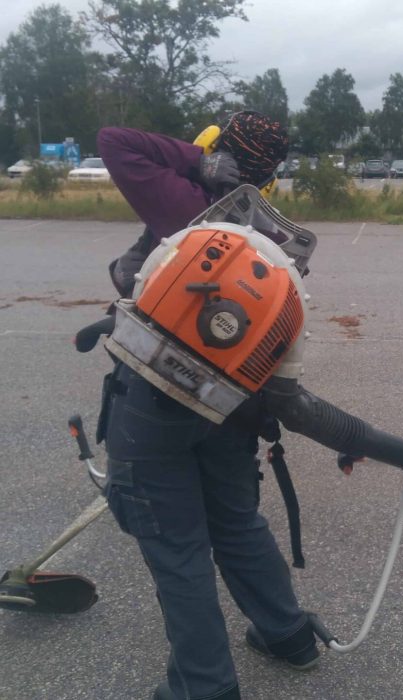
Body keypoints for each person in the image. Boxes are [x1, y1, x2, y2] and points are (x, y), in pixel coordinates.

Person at [97, 111, 319, 700]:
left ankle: (204, 688)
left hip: (155, 398)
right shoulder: (275, 238)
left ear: (219, 149)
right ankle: (288, 635)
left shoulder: (183, 201)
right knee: (238, 523)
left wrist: (197, 162)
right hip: (236, 404)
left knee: (177, 548)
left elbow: (115, 140)